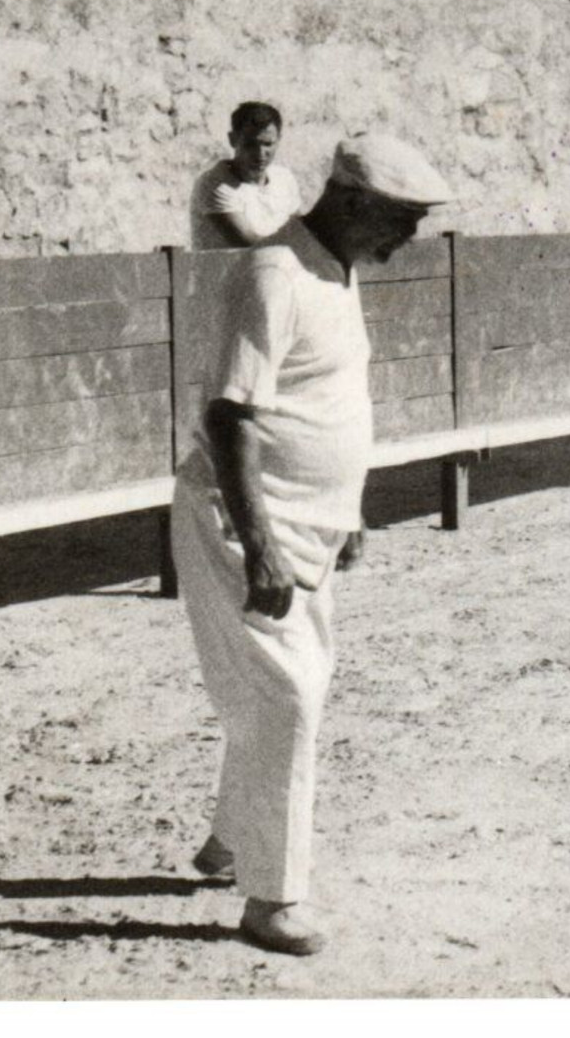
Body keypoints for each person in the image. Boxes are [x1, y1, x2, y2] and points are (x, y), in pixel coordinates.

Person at [171, 133, 453, 956]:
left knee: (292, 688)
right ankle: (271, 899)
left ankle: (229, 840)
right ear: (352, 201)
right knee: (287, 695)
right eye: (401, 218)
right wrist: (259, 544)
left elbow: (327, 402)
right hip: (245, 519)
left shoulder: (336, 267)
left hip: (307, 520)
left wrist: (348, 509)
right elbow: (231, 416)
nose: (409, 236)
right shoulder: (272, 273)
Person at [190, 101, 303, 250]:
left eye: (268, 144)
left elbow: (302, 232)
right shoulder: (215, 184)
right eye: (250, 144)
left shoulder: (284, 179)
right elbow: (251, 245)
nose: (260, 154)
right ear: (233, 139)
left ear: (278, 140)